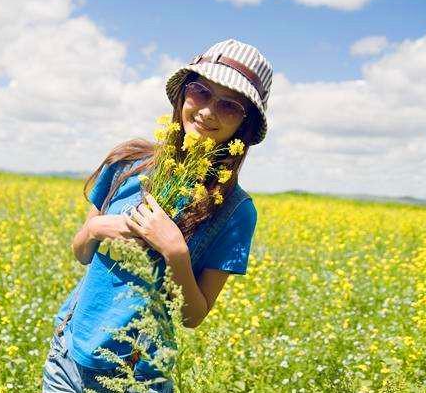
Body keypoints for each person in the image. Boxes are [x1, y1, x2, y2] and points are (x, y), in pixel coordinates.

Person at [42, 39, 274, 393]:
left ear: (245, 124)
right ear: (183, 93)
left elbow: (193, 317)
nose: (208, 112)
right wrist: (96, 228)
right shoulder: (127, 162)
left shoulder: (236, 211)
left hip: (137, 379)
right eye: (200, 92)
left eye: (229, 106)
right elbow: (81, 252)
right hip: (66, 357)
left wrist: (175, 252)